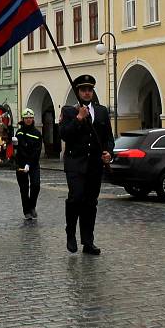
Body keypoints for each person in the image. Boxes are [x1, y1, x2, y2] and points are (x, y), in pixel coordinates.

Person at [59, 75, 114, 255]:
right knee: (76, 198)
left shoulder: (102, 111)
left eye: (90, 89)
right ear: (78, 92)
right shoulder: (69, 111)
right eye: (83, 90)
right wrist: (79, 119)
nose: (87, 93)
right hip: (75, 162)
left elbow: (108, 138)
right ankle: (70, 233)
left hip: (94, 165)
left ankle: (88, 241)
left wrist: (108, 152)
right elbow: (64, 134)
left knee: (91, 203)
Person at [13, 108, 42, 220]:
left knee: (36, 185)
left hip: (33, 164)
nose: (28, 120)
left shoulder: (37, 133)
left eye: (30, 118)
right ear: (23, 119)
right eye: (26, 118)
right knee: (24, 189)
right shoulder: (19, 132)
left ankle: (32, 205)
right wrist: (14, 144)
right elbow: (19, 149)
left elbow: (37, 151)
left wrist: (29, 164)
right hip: (21, 164)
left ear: (33, 119)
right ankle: (27, 211)